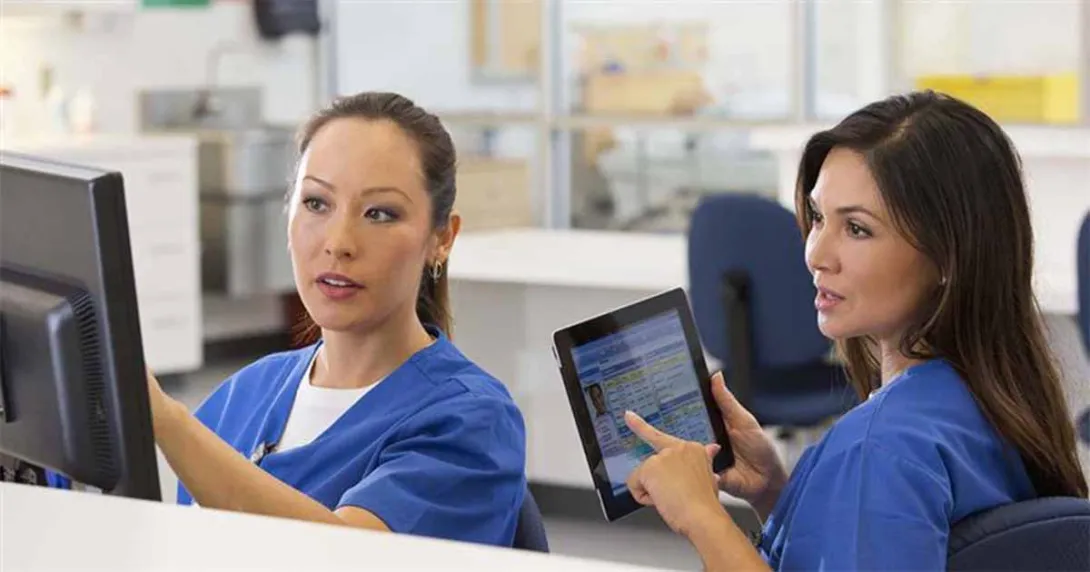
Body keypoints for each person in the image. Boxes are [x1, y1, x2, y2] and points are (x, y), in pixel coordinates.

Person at [620, 91, 1089, 570]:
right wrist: (776, 493)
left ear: (948, 257)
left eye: (858, 229)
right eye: (819, 217)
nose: (816, 254)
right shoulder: (992, 399)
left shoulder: (881, 446)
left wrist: (701, 517)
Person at [143, 92, 527, 546]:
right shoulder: (243, 395)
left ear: (441, 238)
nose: (339, 242)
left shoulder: (471, 421)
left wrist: (166, 420)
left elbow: (348, 555)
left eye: (380, 213)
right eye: (316, 204)